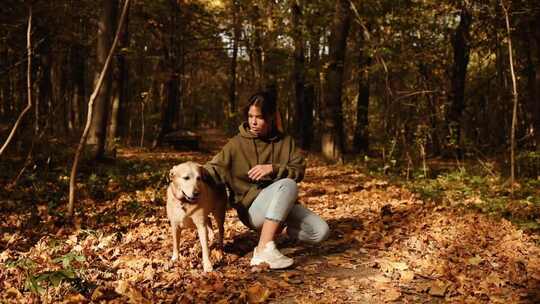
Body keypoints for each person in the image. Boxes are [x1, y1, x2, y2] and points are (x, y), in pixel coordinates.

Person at [203, 91, 330, 269]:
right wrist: (192, 175)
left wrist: (273, 168)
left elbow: (299, 170)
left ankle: (275, 229)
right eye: (250, 116)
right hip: (252, 209)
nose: (253, 122)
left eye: (259, 117)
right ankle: (263, 249)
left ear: (270, 118)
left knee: (320, 232)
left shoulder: (285, 142)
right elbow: (213, 168)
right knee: (288, 184)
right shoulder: (236, 144)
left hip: (280, 203)